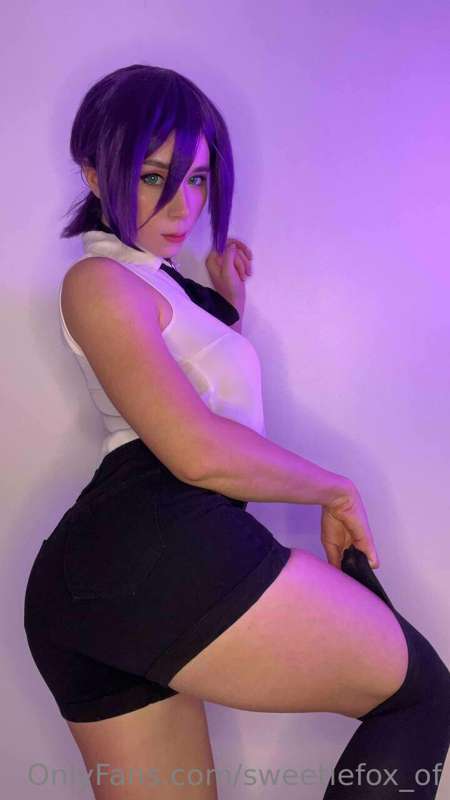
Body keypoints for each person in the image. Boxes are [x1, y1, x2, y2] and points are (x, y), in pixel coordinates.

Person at [24, 64, 449, 800]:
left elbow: (199, 395)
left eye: (196, 179)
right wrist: (334, 490)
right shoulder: (97, 282)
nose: (183, 203)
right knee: (421, 698)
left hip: (103, 581)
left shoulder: (152, 287)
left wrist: (225, 306)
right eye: (153, 176)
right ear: (93, 174)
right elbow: (196, 450)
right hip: (151, 533)